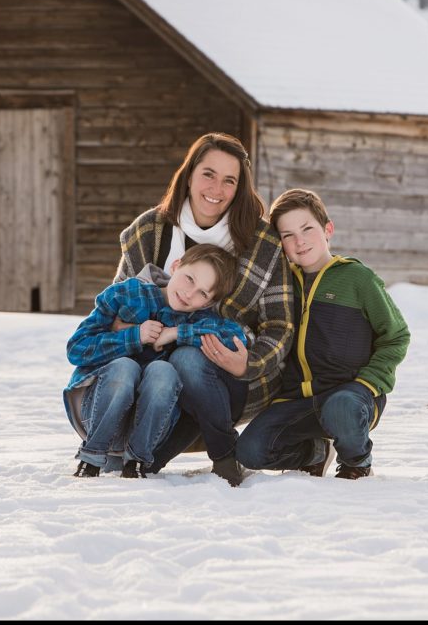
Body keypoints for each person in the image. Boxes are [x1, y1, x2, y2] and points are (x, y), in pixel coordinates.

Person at [114, 132, 294, 487]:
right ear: (189, 174)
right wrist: (126, 330)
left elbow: (280, 325)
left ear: (240, 188)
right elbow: (114, 307)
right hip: (152, 373)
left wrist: (249, 362)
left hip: (227, 375)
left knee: (189, 359)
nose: (217, 188)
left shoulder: (262, 244)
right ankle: (140, 454)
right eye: (208, 174)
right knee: (128, 459)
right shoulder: (149, 231)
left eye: (230, 180)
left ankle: (225, 457)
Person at [235, 188, 411, 479]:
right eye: (288, 235)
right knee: (250, 451)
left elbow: (396, 335)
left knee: (341, 407)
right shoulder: (281, 283)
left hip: (351, 395)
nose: (299, 241)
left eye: (307, 229)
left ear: (328, 229)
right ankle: (315, 452)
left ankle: (356, 461)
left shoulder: (357, 278)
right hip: (295, 398)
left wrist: (370, 383)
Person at [64, 244, 247, 479]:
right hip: (97, 411)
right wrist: (134, 336)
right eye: (189, 279)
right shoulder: (127, 294)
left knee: (164, 371)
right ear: (176, 266)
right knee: (125, 367)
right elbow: (76, 349)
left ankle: (136, 462)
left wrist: (176, 332)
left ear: (207, 303)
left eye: (203, 293)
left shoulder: (196, 317)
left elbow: (234, 336)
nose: (189, 294)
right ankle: (90, 458)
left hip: (151, 428)